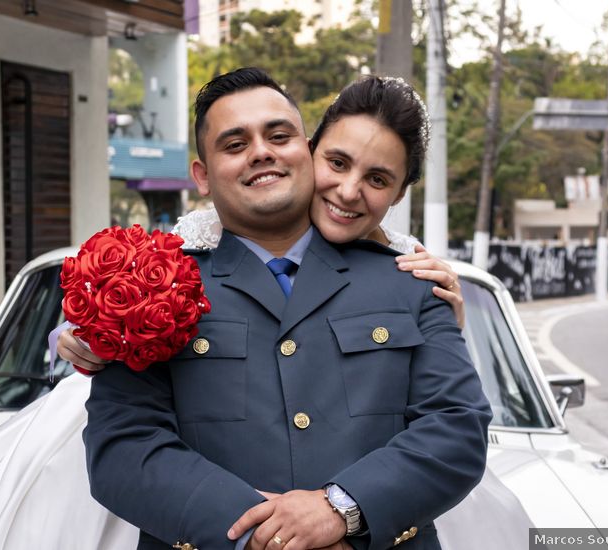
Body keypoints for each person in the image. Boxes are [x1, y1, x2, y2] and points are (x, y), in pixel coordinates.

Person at [80, 68, 491, 550]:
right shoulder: (152, 285)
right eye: (234, 145)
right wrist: (257, 531)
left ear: (306, 149)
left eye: (279, 135)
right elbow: (122, 448)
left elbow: (457, 426)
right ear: (203, 176)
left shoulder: (412, 280)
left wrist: (341, 509)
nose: (261, 152)